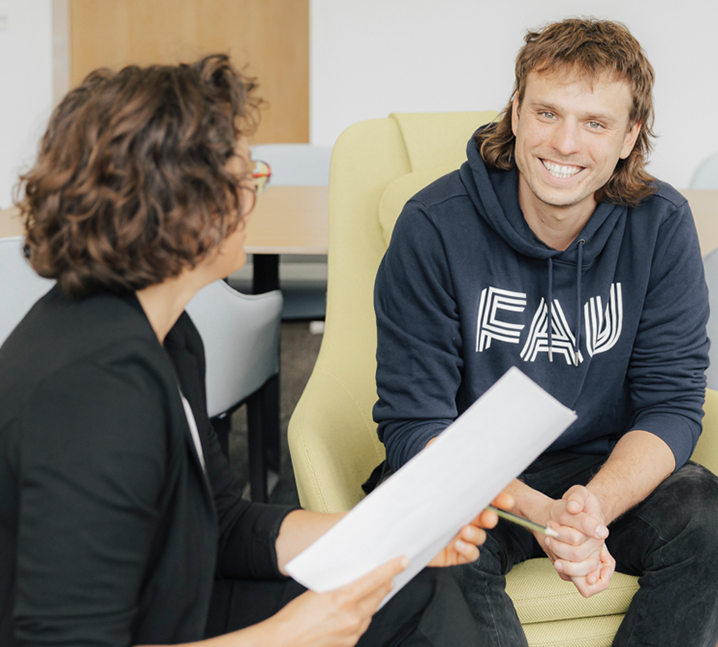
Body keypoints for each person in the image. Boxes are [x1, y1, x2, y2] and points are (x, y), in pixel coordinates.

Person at [0, 55, 510, 647]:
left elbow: (223, 523)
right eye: (245, 179)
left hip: (165, 598)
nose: (253, 196)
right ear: (177, 202)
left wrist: (388, 533)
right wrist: (290, 635)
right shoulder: (91, 394)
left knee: (416, 588)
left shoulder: (163, 332)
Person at [371, 19, 718, 647]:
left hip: (600, 466)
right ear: (516, 114)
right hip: (471, 475)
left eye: (596, 123)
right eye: (547, 113)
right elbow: (414, 424)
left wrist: (591, 509)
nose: (566, 143)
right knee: (427, 540)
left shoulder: (660, 225)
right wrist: (536, 512)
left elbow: (672, 403)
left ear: (631, 136)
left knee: (716, 524)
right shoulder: (433, 226)